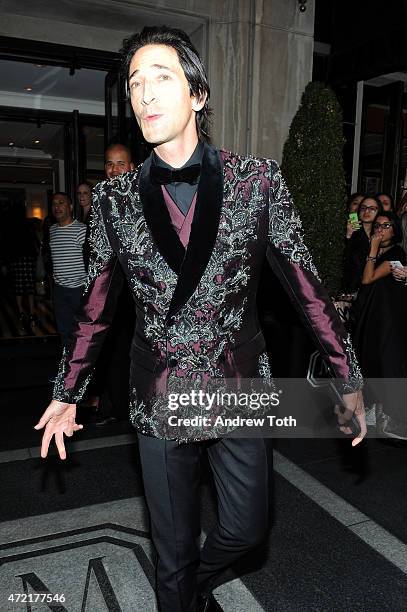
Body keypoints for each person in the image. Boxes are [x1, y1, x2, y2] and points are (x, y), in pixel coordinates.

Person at [35, 26, 365, 612]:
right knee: (172, 552)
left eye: (161, 78)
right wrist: (67, 390)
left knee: (247, 529)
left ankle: (195, 581)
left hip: (237, 385)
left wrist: (348, 376)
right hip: (159, 390)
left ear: (198, 94)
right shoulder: (114, 201)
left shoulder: (256, 182)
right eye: (135, 85)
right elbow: (95, 307)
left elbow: (307, 288)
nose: (145, 95)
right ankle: (182, 587)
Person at [352, 211, 407, 438]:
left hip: (390, 321)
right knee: (369, 359)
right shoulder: (374, 251)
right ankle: (373, 408)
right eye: (377, 226)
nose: (380, 230)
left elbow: (368, 278)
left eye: (386, 226)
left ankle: (391, 415)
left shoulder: (396, 254)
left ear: (395, 231)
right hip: (372, 316)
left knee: (387, 363)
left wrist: (373, 249)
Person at [49, 192, 87, 345]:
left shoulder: (81, 230)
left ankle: (83, 366)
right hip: (59, 290)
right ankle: (67, 365)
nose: (57, 207)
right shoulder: (52, 230)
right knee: (64, 330)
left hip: (79, 289)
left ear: (70, 207)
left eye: (61, 203)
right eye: (54, 204)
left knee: (81, 331)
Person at [342, 195, 382, 293]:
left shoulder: (382, 235)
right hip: (350, 290)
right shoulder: (351, 233)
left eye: (372, 208)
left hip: (373, 291)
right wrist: (348, 236)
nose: (366, 211)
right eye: (363, 208)